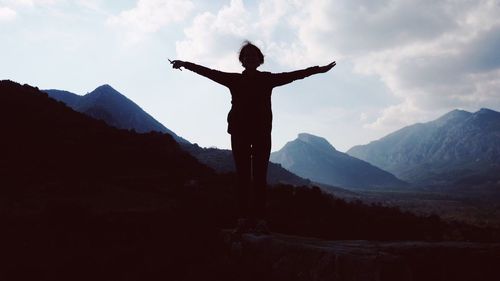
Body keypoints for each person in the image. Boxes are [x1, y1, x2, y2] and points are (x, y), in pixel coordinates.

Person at [170, 41, 335, 235]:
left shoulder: (267, 79)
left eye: (253, 56)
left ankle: (260, 220)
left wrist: (318, 70)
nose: (250, 59)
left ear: (259, 60)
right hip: (239, 132)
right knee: (242, 177)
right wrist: (185, 64)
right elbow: (208, 72)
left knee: (259, 177)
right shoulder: (234, 80)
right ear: (242, 61)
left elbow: (294, 75)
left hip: (261, 133)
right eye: (246, 56)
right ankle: (243, 219)